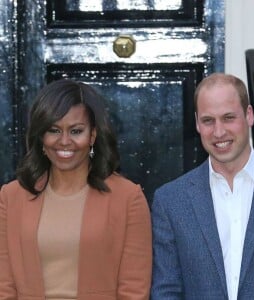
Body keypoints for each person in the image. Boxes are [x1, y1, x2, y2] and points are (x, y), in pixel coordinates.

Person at [151, 73, 254, 299]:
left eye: (229, 117)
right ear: (197, 123)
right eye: (208, 120)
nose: (219, 132)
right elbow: (166, 291)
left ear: (249, 115)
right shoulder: (170, 201)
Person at [0, 79, 152, 300]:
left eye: (76, 131)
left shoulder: (128, 198)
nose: (64, 141)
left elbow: (134, 291)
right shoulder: (11, 197)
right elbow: (4, 286)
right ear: (41, 136)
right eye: (53, 130)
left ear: (92, 135)